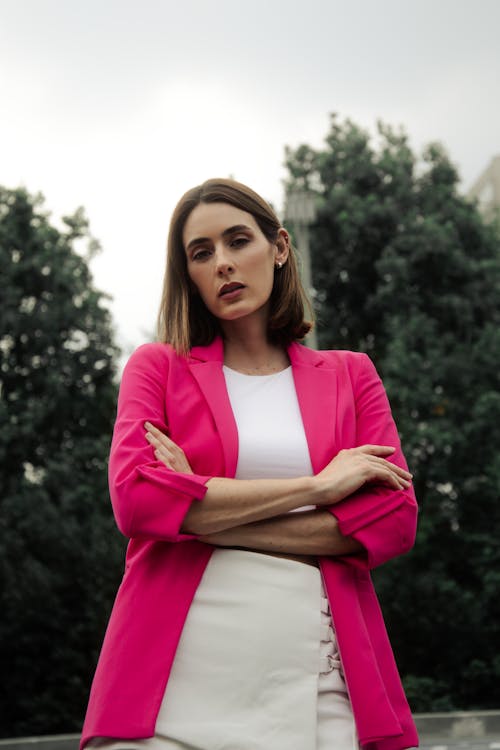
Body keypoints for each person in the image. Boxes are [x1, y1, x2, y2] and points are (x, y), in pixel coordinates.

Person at [80, 178, 419, 750]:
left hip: (320, 668)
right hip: (179, 666)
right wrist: (320, 486)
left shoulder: (350, 374)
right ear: (187, 273)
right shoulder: (157, 368)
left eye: (239, 241)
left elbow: (393, 522)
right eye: (202, 252)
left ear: (280, 247)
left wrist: (201, 507)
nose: (224, 264)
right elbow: (138, 501)